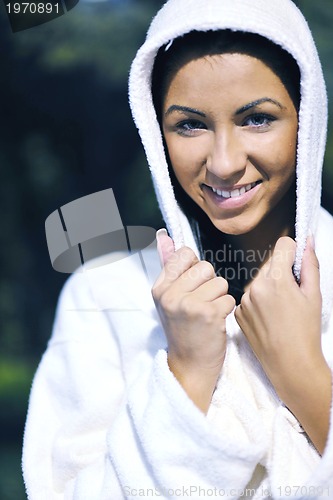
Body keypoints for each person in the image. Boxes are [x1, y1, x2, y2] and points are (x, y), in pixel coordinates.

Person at [23, 0, 333, 498]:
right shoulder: (103, 296)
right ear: (155, 133)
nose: (225, 163)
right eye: (190, 125)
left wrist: (303, 374)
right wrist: (186, 372)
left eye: (257, 119)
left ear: (308, 120)